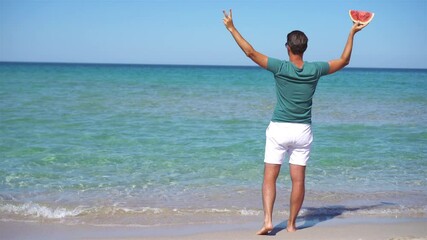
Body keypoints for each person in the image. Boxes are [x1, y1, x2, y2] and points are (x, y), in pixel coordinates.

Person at [222, 9, 369, 235]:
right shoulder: (315, 69)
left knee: (270, 177)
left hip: (279, 128)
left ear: (287, 47)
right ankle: (291, 225)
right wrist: (352, 33)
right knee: (298, 181)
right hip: (303, 131)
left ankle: (268, 221)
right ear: (305, 48)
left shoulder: (280, 67)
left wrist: (231, 28)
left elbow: (250, 52)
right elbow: (344, 60)